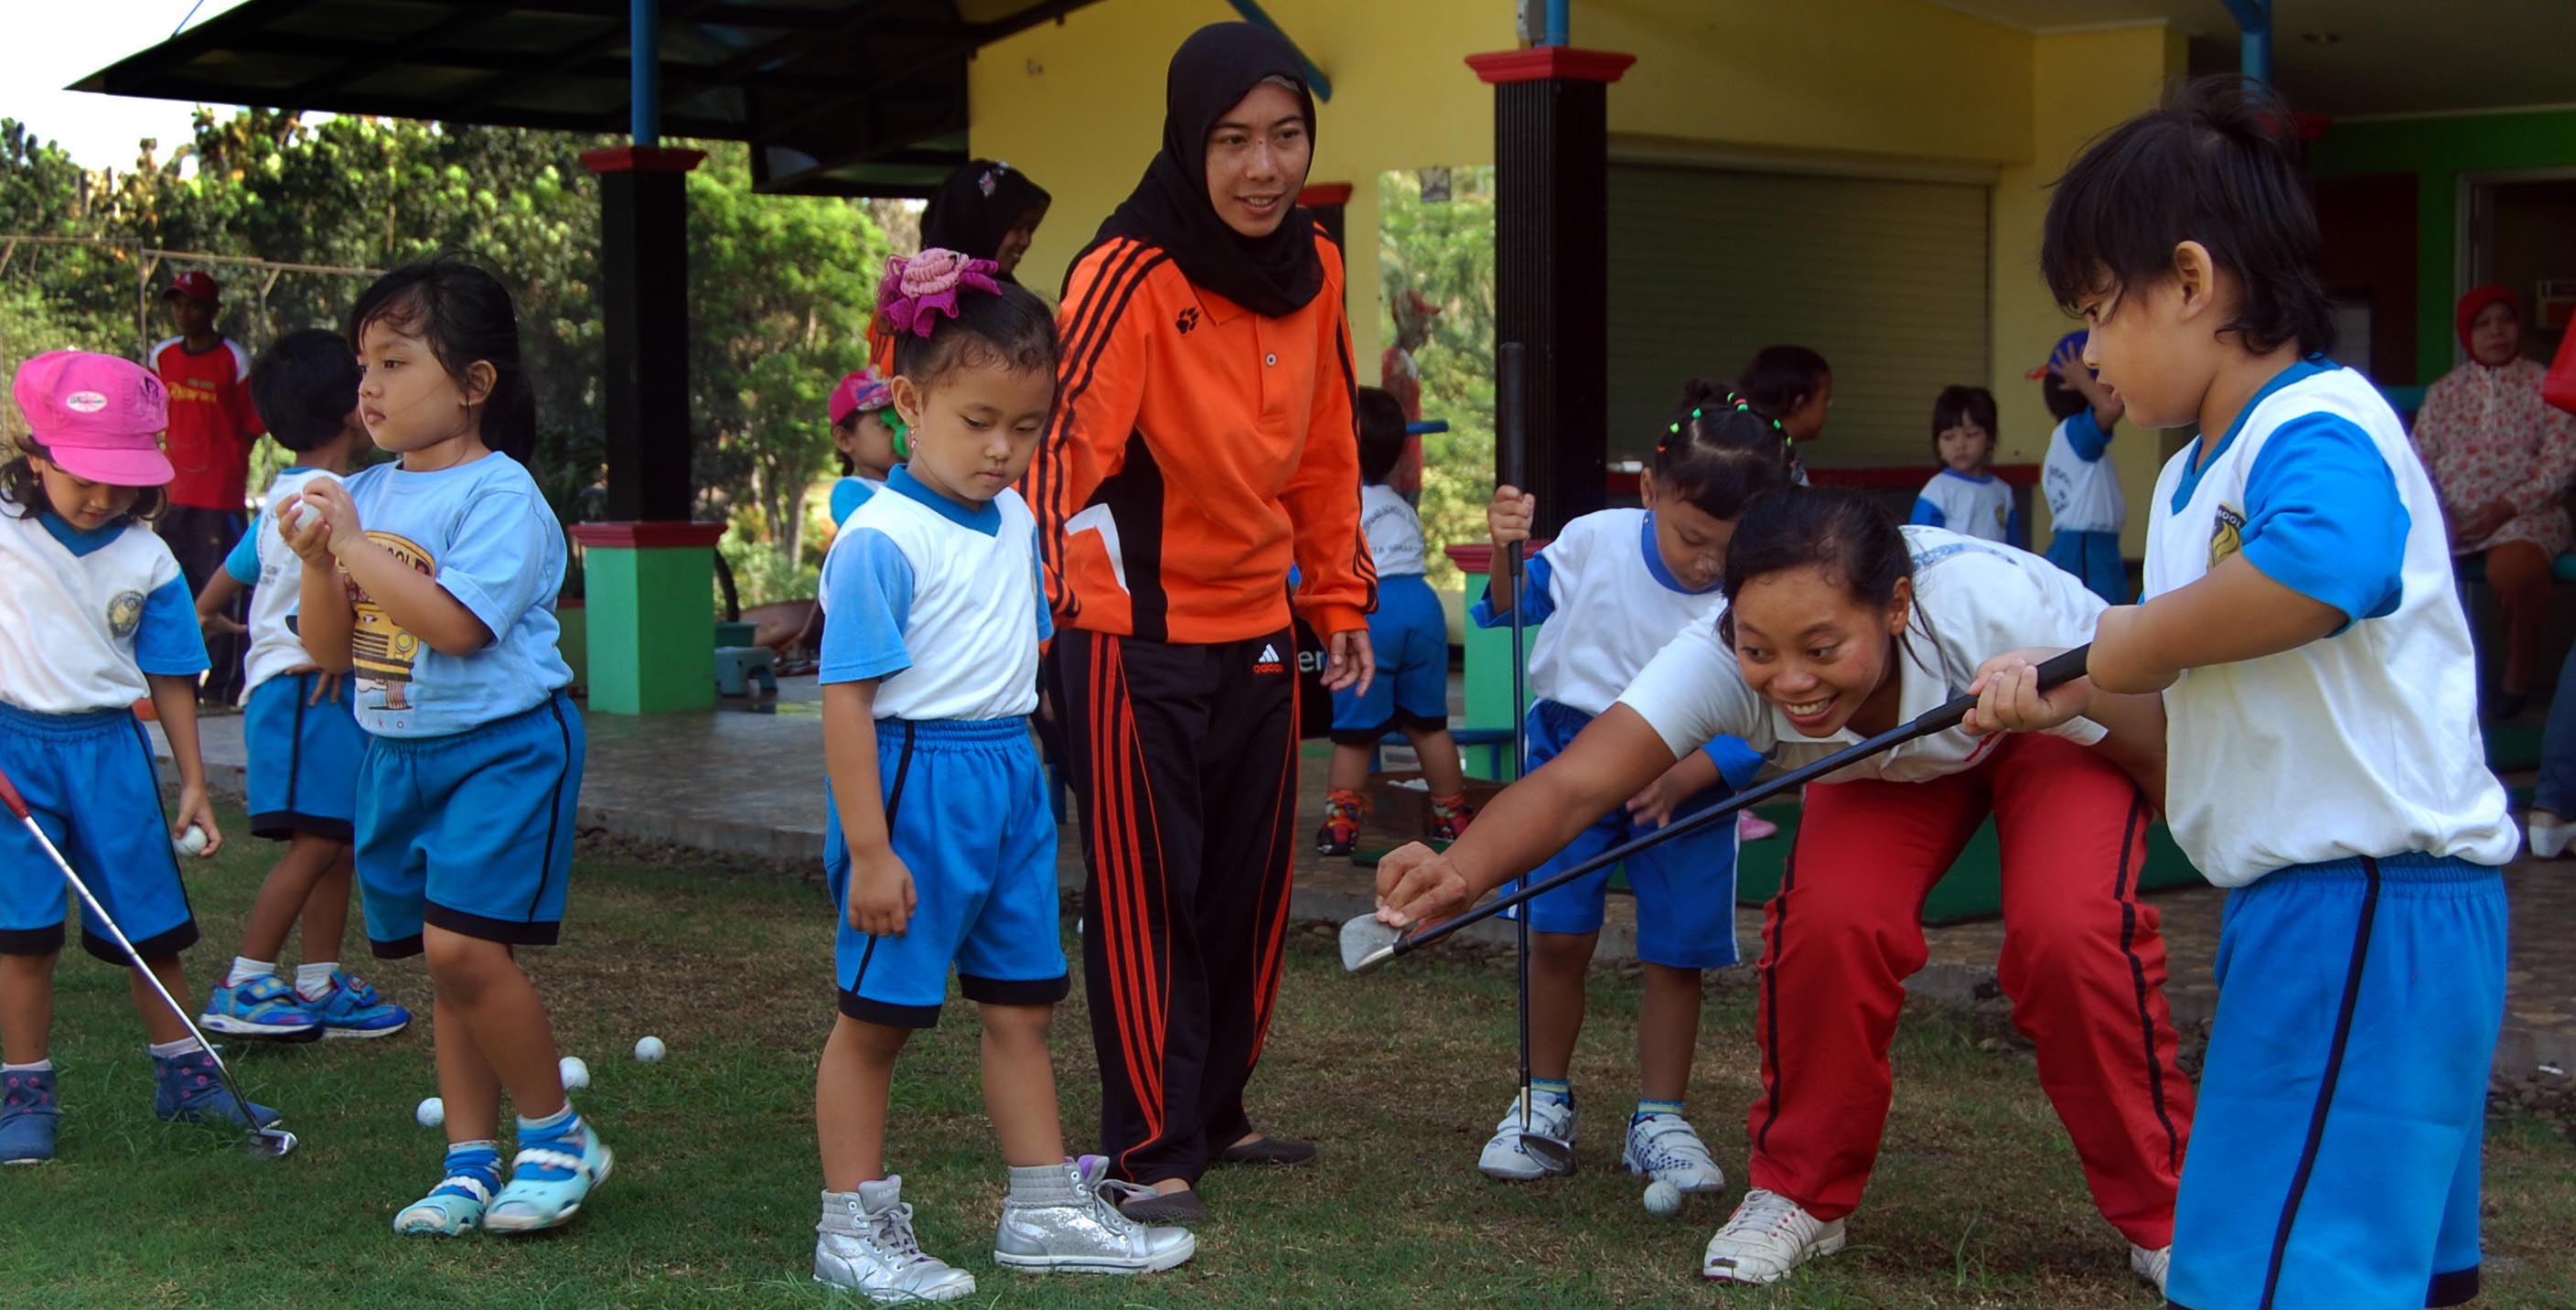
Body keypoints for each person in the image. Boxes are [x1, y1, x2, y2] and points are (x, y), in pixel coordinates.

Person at [1378, 489, 2190, 1293]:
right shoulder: (1719, 657)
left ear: (1897, 606)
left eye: (1823, 648)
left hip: (2051, 722)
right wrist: (1463, 868)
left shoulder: (1999, 606)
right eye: (1760, 649)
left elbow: (2153, 737)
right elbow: (1574, 787)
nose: (1791, 681)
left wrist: (2102, 740)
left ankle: (2169, 1210)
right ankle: (1801, 1190)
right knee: (1827, 927)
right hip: (1888, 764)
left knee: (2069, 931)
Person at [2021, 76, 2513, 1310]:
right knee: (2381, 1270)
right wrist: (2064, 693)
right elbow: (2208, 707)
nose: (2088, 354)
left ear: (2192, 283)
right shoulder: (2195, 481)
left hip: (2365, 906)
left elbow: (2324, 567)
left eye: (2096, 311)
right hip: (2323, 909)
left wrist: (2125, 641)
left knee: (2274, 1275)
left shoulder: (2316, 422)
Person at [1025, 21, 1375, 1223]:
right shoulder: (1125, 271)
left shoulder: (1318, 267)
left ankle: (1218, 1110)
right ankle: (1150, 1147)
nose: (1262, 167)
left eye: (1285, 137)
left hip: (1264, 630)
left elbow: (1329, 452)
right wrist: (1067, 623)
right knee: (1143, 890)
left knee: (1245, 886)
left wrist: (1335, 597)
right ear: (1191, 141)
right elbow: (1062, 464)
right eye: (1234, 141)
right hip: (1133, 634)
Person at [807, 249, 1194, 1301]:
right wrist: (874, 851)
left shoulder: (1018, 519)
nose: (1003, 449)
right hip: (912, 787)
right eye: (978, 421)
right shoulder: (879, 541)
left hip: (1009, 779)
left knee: (1022, 1005)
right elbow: (845, 705)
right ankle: (850, 1224)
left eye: (1026, 428)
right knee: (876, 1018)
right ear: (908, 400)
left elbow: (1021, 661)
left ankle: (1038, 1208)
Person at [284, 258, 600, 1236]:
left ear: (472, 383)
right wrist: (314, 564)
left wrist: (352, 546)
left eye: (395, 361)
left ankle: (556, 1136)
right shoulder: (367, 492)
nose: (367, 387)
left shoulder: (499, 496)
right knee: (446, 959)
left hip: (500, 750)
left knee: (464, 944)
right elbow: (330, 654)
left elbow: (458, 626)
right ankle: (467, 1163)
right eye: (362, 363)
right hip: (396, 750)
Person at [1465, 381, 1784, 1197]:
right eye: (1692, 537)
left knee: (1678, 953)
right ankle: (1542, 1101)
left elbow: (1768, 716)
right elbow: (1506, 609)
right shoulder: (1593, 540)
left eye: (1731, 545)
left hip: (1692, 774)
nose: (1712, 561)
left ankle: (1660, 1117)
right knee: (1557, 936)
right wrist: (1504, 544)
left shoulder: (1763, 580)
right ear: (1649, 488)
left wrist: (1693, 772)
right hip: (1572, 750)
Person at [0, 350, 270, 1166]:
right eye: (84, 475)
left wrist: (192, 780)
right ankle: (23, 1091)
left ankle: (186, 1082)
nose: (104, 497)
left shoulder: (149, 558)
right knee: (23, 936)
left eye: (124, 478)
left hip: (111, 752)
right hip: (15, 752)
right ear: (36, 457)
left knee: (148, 924)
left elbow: (170, 675)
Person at [193, 330, 410, 1044]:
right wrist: (298, 642)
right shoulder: (341, 502)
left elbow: (220, 587)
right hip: (302, 699)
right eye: (367, 376)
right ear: (353, 407)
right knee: (316, 844)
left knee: (339, 839)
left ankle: (317, 982)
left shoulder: (282, 498)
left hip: (327, 697)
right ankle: (247, 980)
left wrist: (218, 616)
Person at [1315, 386, 1474, 856]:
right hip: (1422, 607)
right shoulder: (1401, 505)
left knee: (1356, 732)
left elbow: (1307, 570)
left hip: (1371, 611)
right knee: (1428, 724)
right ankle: (1453, 819)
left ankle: (1341, 829)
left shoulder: (1336, 506)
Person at [2410, 284, 2576, 718]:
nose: (2496, 331)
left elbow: (2562, 462)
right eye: (2483, 324)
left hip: (2525, 516)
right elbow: (2415, 461)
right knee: (2403, 566)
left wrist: (2504, 508)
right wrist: (2438, 516)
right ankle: (2424, 689)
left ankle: (2516, 683)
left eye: (2505, 320)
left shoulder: (2546, 385)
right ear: (2468, 336)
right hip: (2449, 520)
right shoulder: (2445, 392)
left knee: (2516, 570)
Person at [150, 271, 267, 707]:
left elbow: (252, 423)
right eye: (178, 304)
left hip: (218, 498)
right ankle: (172, 685)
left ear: (213, 310)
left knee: (221, 593)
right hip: (172, 496)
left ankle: (221, 690)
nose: (185, 313)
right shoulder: (161, 357)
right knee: (169, 591)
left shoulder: (233, 360)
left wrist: (227, 461)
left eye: (194, 304)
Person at [2034, 330, 2129, 603]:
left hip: (2089, 544)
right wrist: (2081, 378)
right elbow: (2110, 410)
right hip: (2085, 548)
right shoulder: (2074, 433)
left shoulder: (2069, 437)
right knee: (2095, 622)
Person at [1911, 385, 2020, 546]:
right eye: (1948, 437)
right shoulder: (1937, 490)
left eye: (1971, 434)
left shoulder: (2002, 491)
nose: (1960, 445)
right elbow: (1919, 545)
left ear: (1990, 438)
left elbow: (2015, 548)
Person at [919, 160, 1053, 282]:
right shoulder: (925, 303)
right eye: (1017, 227)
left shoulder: (1011, 301)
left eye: (1030, 229)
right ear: (974, 226)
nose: (1026, 241)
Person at [1733, 345, 1832, 484]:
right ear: (1799, 404)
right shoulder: (1770, 464)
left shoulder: (1738, 448)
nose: (1828, 406)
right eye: (1826, 399)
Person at [825, 368, 904, 529]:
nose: (900, 433)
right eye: (886, 425)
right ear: (844, 439)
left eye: (903, 422)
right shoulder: (850, 493)